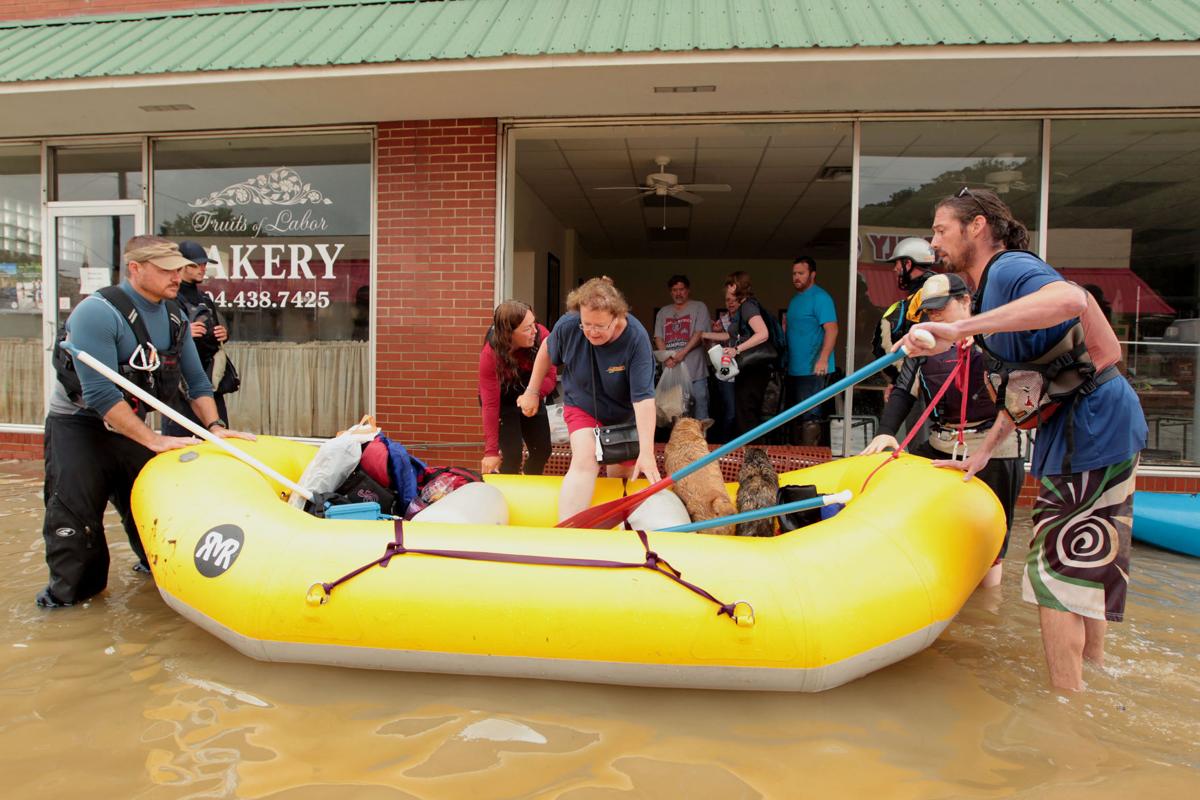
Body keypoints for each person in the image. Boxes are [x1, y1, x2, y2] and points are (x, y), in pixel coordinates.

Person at [897, 188, 1147, 692]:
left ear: (978, 227)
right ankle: (1095, 673)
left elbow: (1074, 299)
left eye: (941, 230)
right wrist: (982, 453)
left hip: (1092, 424)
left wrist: (961, 328)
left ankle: (1068, 706)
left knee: (1051, 573)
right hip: (1095, 422)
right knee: (1084, 559)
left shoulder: (1007, 270)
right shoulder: (994, 288)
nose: (933, 242)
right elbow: (1032, 386)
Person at [38, 236, 255, 609]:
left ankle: (156, 593)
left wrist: (215, 427)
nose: (178, 276)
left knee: (152, 519)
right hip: (80, 427)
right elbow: (102, 396)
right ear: (136, 269)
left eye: (179, 268)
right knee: (78, 529)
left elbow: (196, 382)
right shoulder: (97, 313)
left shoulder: (175, 315)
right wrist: (153, 441)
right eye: (167, 269)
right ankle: (68, 612)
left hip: (131, 425)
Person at [861, 272, 1024, 588]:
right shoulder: (923, 345)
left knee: (989, 547)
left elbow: (1016, 396)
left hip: (995, 451)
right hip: (940, 445)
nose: (933, 315)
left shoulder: (995, 339)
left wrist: (975, 342)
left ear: (965, 302)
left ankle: (986, 614)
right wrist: (886, 431)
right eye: (929, 310)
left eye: (940, 307)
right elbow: (903, 391)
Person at [518, 277, 659, 522]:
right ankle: (569, 531)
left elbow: (644, 400)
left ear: (617, 317)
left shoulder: (636, 339)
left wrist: (647, 451)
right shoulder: (569, 325)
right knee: (585, 458)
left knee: (622, 471)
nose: (592, 332)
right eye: (587, 324)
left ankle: (617, 527)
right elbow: (546, 350)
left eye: (600, 326)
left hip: (624, 411)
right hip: (582, 402)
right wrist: (532, 391)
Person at [162, 240, 236, 437]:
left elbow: (216, 331)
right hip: (179, 381)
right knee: (181, 441)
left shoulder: (204, 299)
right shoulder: (168, 299)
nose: (202, 269)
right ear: (179, 267)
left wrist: (223, 334)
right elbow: (156, 338)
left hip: (209, 377)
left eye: (204, 265)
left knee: (218, 436)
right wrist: (183, 332)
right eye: (195, 265)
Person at [478, 300, 556, 475]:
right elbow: (490, 404)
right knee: (512, 455)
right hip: (502, 399)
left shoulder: (542, 336)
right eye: (527, 328)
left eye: (534, 323)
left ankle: (529, 483)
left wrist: (534, 394)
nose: (535, 330)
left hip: (532, 390)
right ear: (509, 333)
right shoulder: (490, 355)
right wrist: (490, 452)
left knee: (542, 450)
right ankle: (506, 492)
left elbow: (550, 376)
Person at [702, 272, 772, 437]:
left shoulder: (748, 306)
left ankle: (752, 457)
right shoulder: (744, 308)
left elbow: (763, 333)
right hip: (748, 369)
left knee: (746, 416)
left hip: (753, 368)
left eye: (731, 285)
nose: (728, 289)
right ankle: (748, 455)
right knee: (744, 414)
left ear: (739, 286)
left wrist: (737, 350)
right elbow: (732, 336)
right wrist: (706, 335)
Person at [872, 237, 938, 398]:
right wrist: (895, 381)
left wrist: (900, 379)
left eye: (897, 264)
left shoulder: (928, 293)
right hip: (914, 379)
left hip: (922, 383)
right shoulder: (924, 291)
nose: (895, 269)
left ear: (908, 264)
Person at [785, 257, 838, 445]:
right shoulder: (795, 301)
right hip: (795, 369)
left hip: (814, 368)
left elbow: (832, 329)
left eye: (801, 273)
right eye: (794, 273)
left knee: (811, 417)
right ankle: (798, 460)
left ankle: (811, 461)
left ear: (812, 274)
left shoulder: (821, 298)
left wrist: (823, 359)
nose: (796, 277)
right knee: (797, 417)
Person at [653, 274, 711, 421]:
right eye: (674, 290)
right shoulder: (663, 312)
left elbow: (699, 334)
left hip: (695, 370)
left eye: (682, 289)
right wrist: (667, 357)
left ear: (688, 290)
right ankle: (680, 443)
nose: (678, 293)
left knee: (700, 409)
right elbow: (658, 337)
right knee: (675, 412)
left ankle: (701, 442)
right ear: (670, 292)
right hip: (673, 371)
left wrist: (682, 353)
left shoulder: (699, 307)